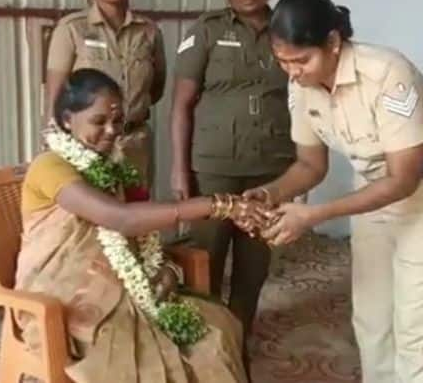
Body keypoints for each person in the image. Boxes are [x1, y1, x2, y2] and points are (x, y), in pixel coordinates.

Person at [246, 0, 423, 383]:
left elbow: (404, 177)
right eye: (283, 61)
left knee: (416, 328)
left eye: (302, 60)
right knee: (371, 318)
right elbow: (309, 165)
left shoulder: (388, 74)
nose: (293, 71)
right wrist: (271, 193)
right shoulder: (300, 85)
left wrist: (314, 215)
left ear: (334, 42)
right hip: (374, 189)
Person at [16, 68, 256, 382]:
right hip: (67, 300)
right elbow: (122, 219)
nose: (112, 131)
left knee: (219, 328)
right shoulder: (49, 166)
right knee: (138, 361)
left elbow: (139, 236)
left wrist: (167, 271)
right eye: (99, 121)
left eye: (118, 121)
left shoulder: (113, 165)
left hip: (128, 286)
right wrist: (218, 205)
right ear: (65, 120)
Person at [169, 0, 295, 348]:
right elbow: (181, 105)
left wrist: (299, 173)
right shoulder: (206, 31)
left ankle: (237, 342)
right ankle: (202, 345)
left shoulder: (287, 28)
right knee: (205, 259)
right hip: (214, 167)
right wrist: (179, 168)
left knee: (253, 265)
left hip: (270, 167)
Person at [44, 0, 165, 188]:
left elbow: (156, 90)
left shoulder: (149, 32)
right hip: (88, 147)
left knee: (137, 216)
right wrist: (61, 150)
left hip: (135, 145)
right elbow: (57, 100)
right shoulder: (71, 30)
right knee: (93, 219)